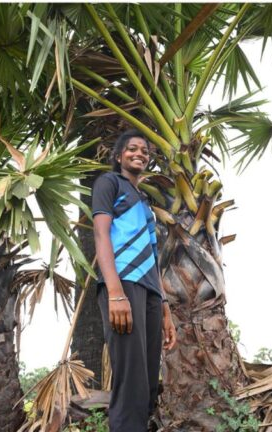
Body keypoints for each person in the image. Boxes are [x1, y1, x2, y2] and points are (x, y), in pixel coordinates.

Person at [92, 129, 177, 431]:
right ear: (119, 156)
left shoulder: (144, 203)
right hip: (123, 284)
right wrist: (115, 292)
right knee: (131, 378)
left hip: (151, 292)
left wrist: (165, 308)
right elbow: (101, 235)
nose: (139, 153)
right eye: (131, 148)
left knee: (147, 380)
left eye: (144, 150)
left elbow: (154, 258)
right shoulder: (109, 183)